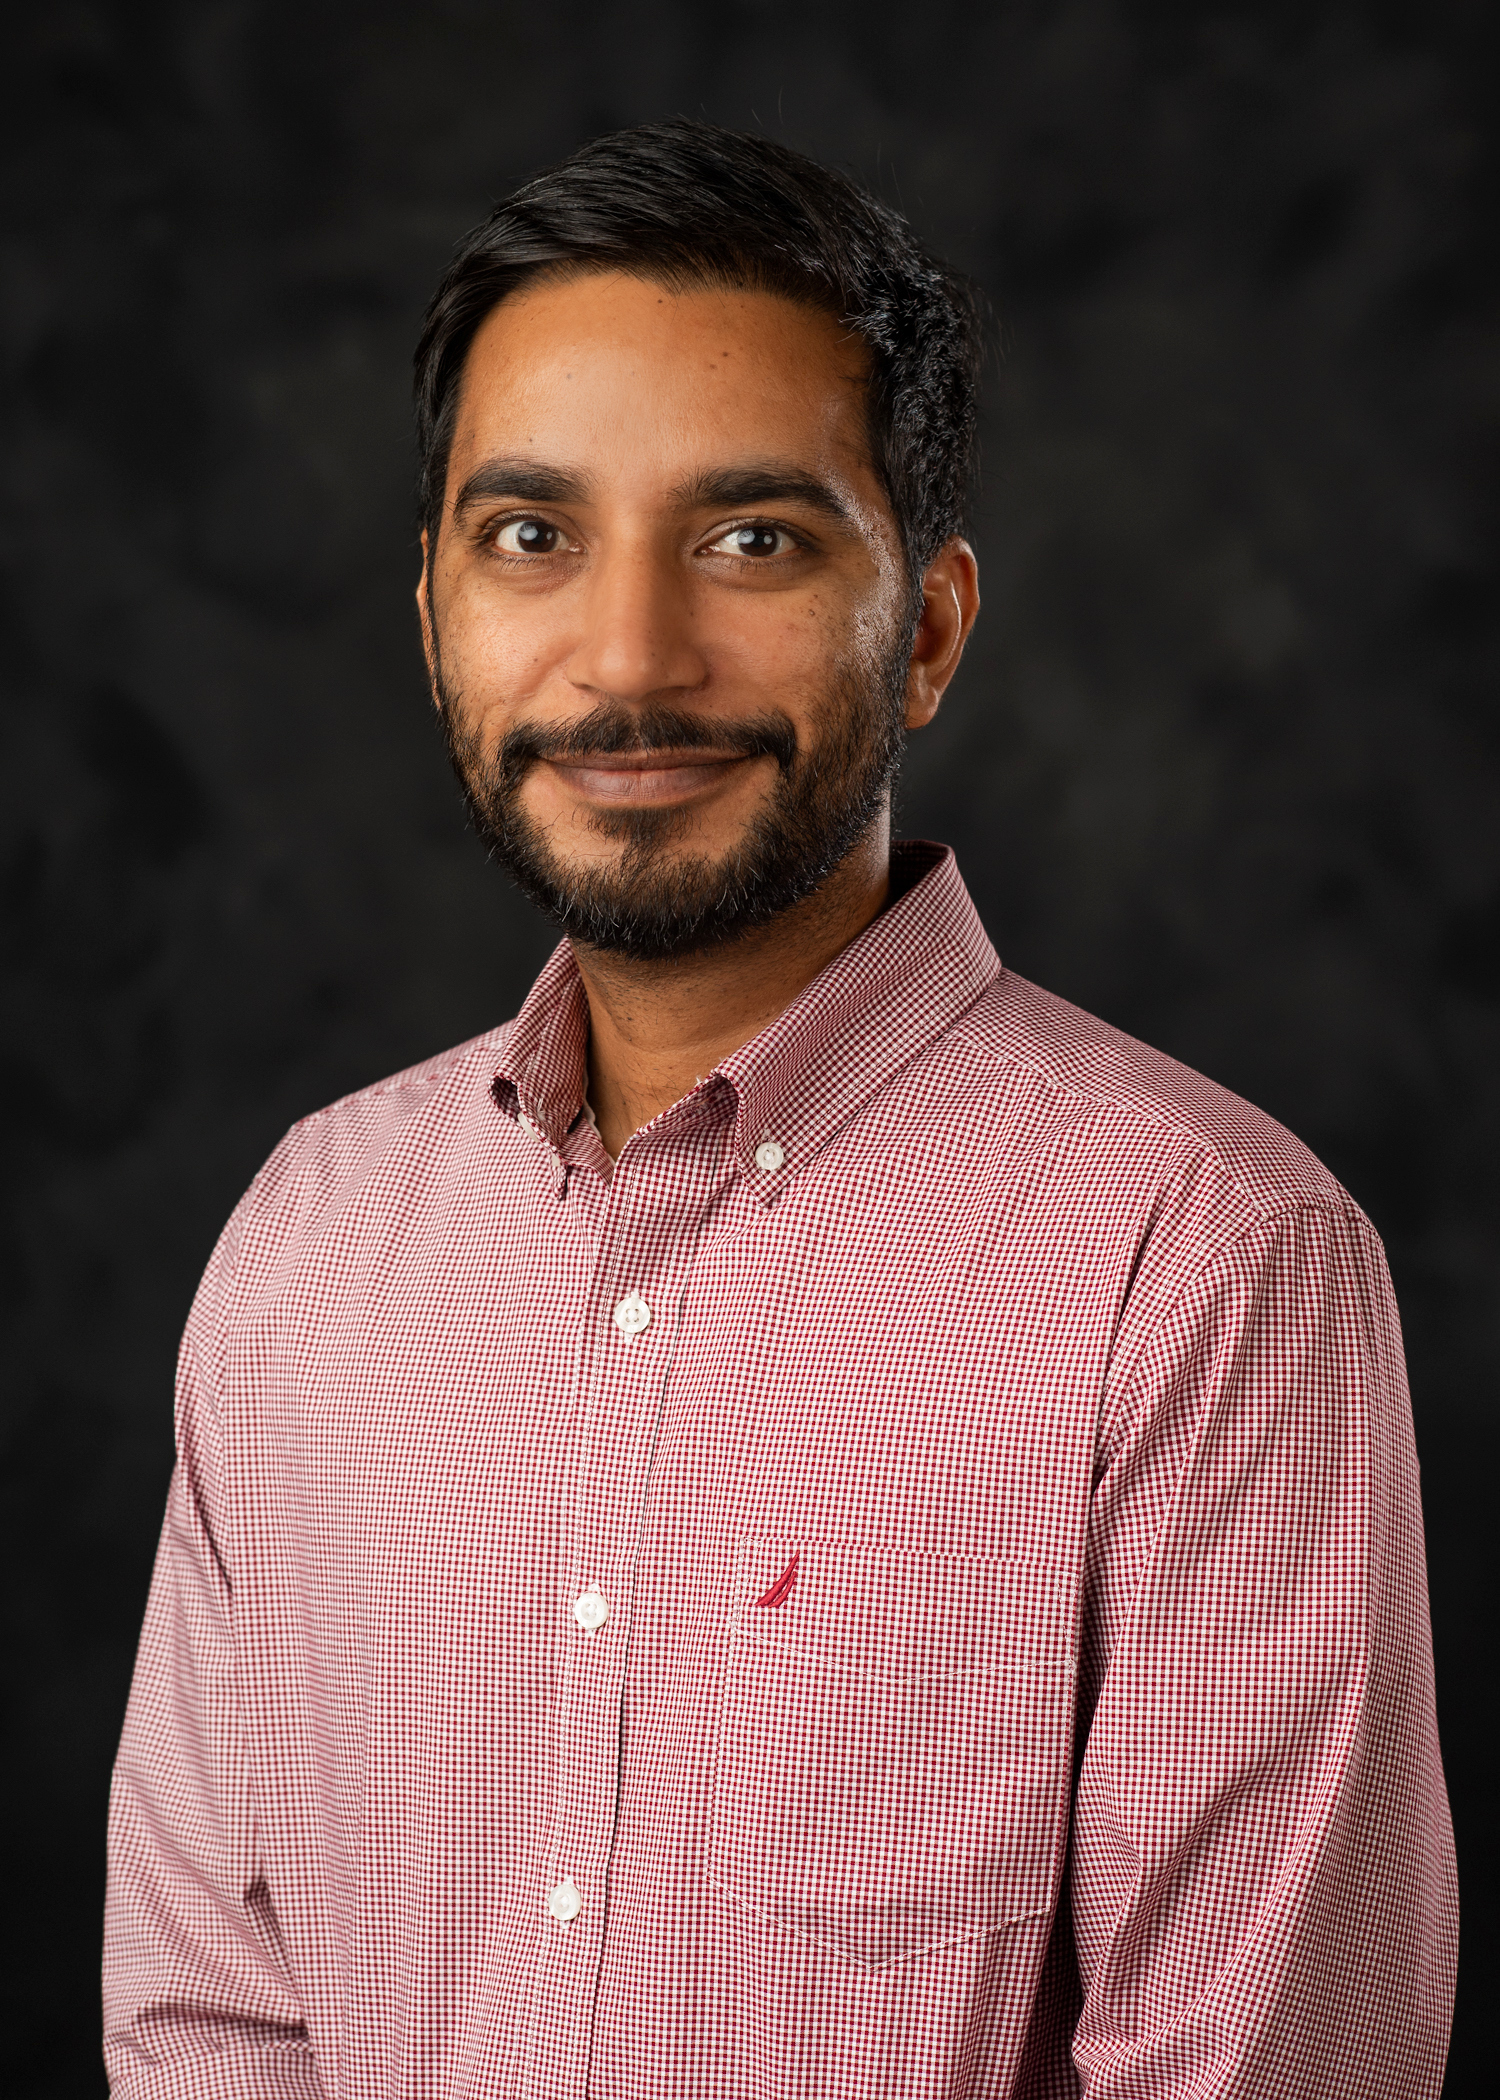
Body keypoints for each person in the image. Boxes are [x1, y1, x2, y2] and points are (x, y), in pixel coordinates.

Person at [102, 121, 1457, 2100]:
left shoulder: (1204, 1262)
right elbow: (210, 2022)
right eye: (531, 536)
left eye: (751, 539)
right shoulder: (309, 1243)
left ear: (928, 631)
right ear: (435, 617)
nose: (629, 659)